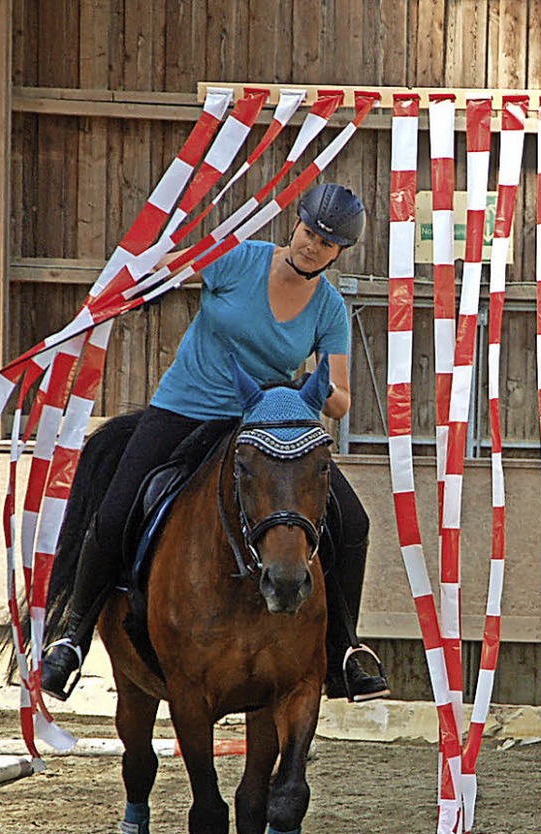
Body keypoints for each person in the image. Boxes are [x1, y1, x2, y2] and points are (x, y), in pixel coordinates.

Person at [41, 182, 390, 704]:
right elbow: (171, 268)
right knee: (113, 513)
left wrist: (320, 392)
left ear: (339, 253)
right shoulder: (240, 259)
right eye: (309, 231)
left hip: (262, 422)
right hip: (184, 406)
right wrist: (140, 291)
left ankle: (345, 650)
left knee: (354, 522)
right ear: (295, 224)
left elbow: (340, 397)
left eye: (326, 242)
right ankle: (71, 637)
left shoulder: (330, 310)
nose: (312, 244)